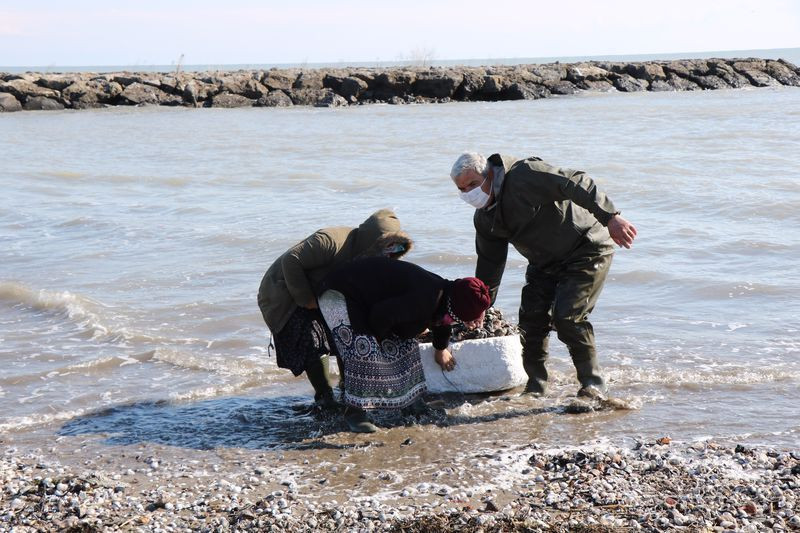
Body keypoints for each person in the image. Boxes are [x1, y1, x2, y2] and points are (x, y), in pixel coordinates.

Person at [449, 152, 637, 397]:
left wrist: (610, 217)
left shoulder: (524, 175)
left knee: (568, 318)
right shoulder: (486, 219)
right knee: (530, 321)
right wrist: (480, 304)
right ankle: (535, 388)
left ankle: (593, 385)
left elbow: (574, 181)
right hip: (544, 262)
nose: (469, 193)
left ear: (490, 175)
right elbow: (490, 264)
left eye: (473, 184)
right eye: (462, 189)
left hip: (586, 248)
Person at [257, 209, 412, 409]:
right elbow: (291, 260)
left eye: (393, 250)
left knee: (350, 329)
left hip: (322, 294)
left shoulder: (373, 261)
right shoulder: (330, 241)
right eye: (385, 248)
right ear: (372, 242)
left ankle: (348, 387)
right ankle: (325, 397)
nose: (388, 255)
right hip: (282, 292)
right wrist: (307, 300)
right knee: (312, 334)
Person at [317, 256, 491, 433]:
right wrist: (378, 345)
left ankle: (410, 402)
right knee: (364, 347)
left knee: (405, 345)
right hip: (337, 294)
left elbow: (442, 319)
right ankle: (355, 412)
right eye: (459, 319)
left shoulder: (445, 293)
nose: (455, 322)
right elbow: (380, 316)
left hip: (368, 301)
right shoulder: (425, 298)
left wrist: (440, 348)